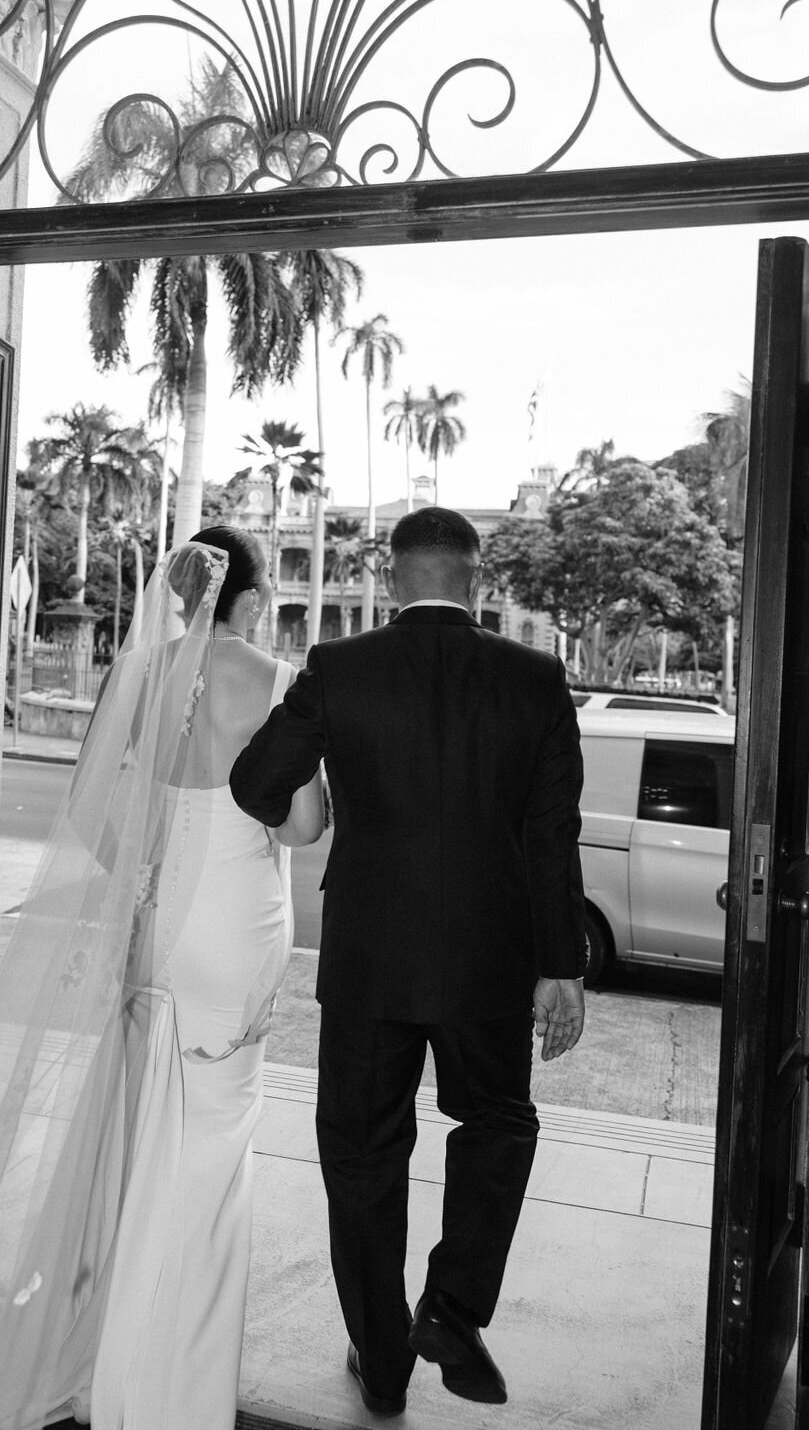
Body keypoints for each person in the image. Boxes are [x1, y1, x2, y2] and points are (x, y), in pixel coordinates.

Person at [0, 528, 324, 1430]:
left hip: (157, 923)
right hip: (234, 926)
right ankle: (179, 1392)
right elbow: (301, 830)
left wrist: (143, 880)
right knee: (212, 1156)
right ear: (249, 596)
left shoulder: (137, 676)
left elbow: (96, 811)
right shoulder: (274, 679)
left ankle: (121, 1363)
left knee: (140, 1147)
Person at [230, 506, 586, 1415]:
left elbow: (257, 782)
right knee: (500, 1123)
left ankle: (381, 1362)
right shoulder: (538, 679)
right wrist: (562, 968)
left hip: (368, 959)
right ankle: (454, 1310)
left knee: (360, 1158)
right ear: (476, 578)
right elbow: (554, 838)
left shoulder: (340, 669)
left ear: (393, 581)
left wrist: (341, 808)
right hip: (490, 964)